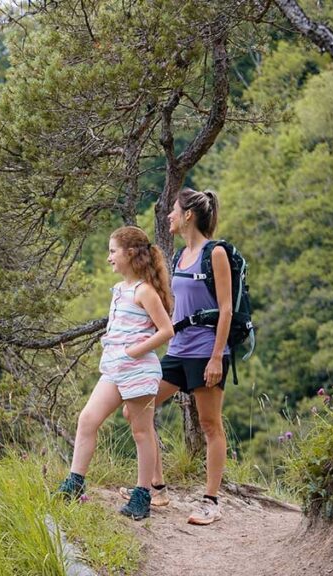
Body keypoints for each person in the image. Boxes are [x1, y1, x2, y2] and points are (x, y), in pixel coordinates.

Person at [122, 188, 233, 525]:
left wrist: (216, 358)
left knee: (210, 424)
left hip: (206, 352)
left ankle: (210, 501)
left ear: (188, 215)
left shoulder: (214, 253)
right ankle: (157, 489)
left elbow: (226, 309)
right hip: (178, 351)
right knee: (137, 408)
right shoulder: (179, 256)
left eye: (173, 210)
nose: (168, 215)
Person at [57, 226, 174, 520]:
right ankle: (73, 483)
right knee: (88, 419)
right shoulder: (120, 289)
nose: (109, 257)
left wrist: (135, 350)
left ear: (130, 253)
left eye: (113, 251)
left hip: (139, 372)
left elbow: (166, 331)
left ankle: (142, 496)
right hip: (114, 370)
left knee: (140, 431)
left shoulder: (144, 290)